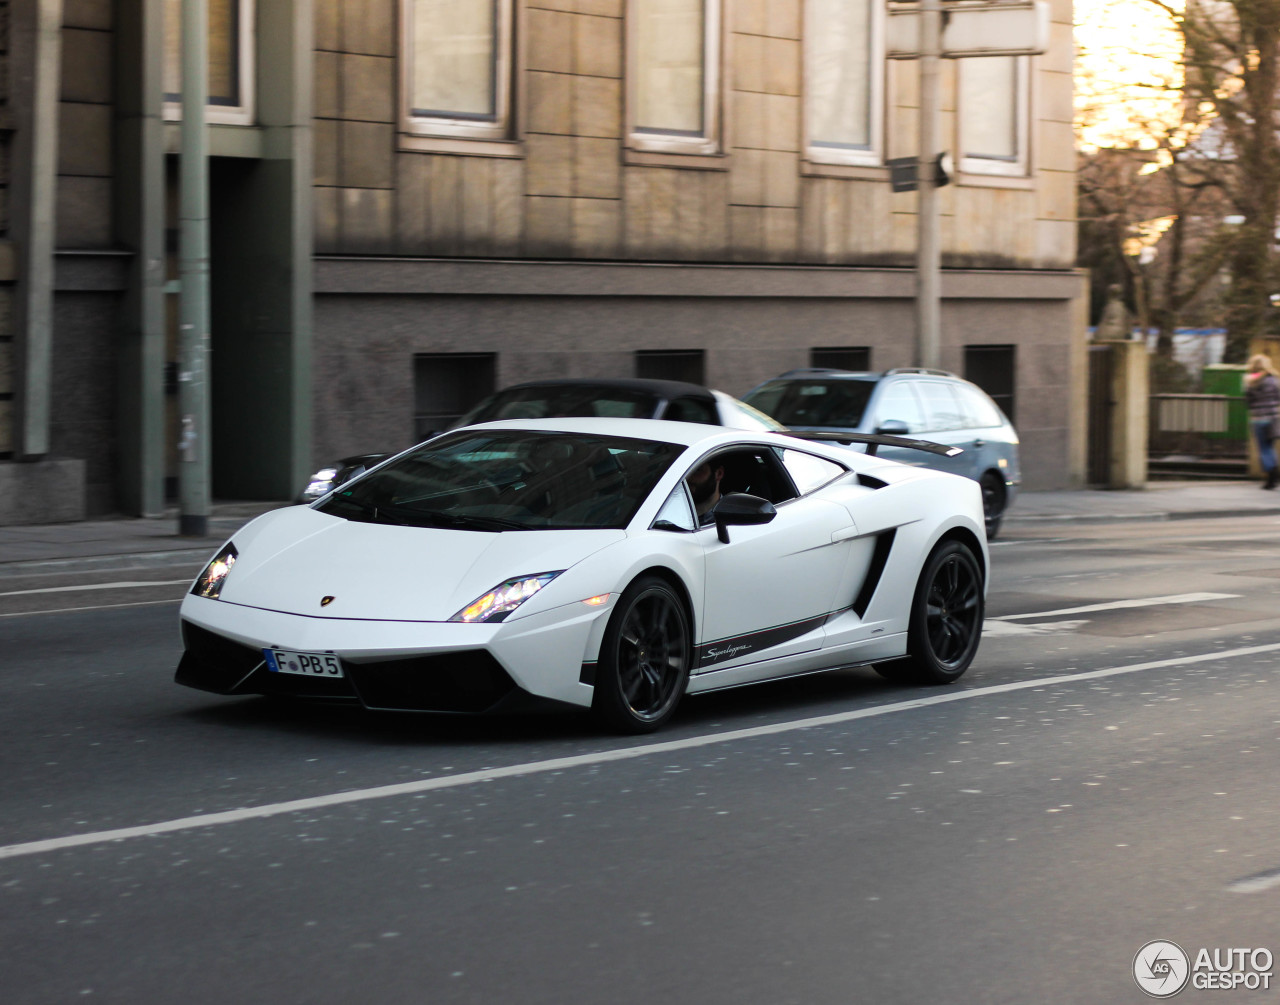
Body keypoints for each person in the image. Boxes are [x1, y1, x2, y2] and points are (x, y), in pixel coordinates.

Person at [1244, 353, 1280, 490]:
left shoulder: (1250, 381)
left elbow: (1248, 401)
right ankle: (1274, 472)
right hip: (1273, 417)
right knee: (1270, 446)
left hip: (1258, 419)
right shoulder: (1274, 380)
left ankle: (1271, 475)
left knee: (1264, 448)